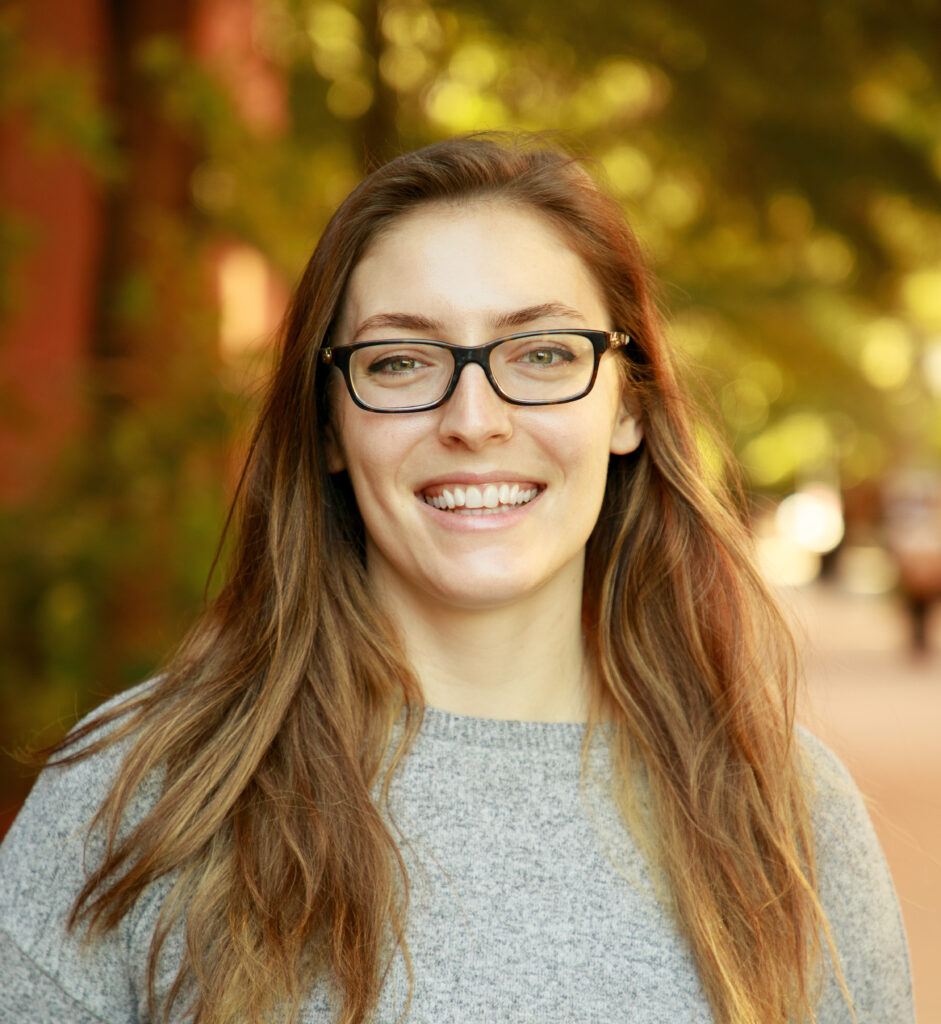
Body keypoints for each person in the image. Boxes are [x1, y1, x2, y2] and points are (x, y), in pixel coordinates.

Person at [0, 134, 913, 1024]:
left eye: (543, 353)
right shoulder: (141, 793)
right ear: (326, 425)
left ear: (627, 403)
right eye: (400, 362)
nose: (472, 419)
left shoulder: (786, 812)